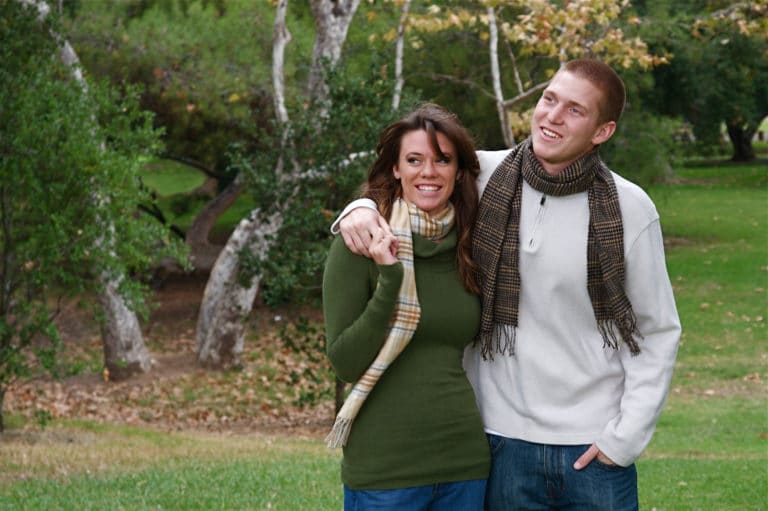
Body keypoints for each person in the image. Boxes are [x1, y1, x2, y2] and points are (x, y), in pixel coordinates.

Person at [331, 59, 681, 511]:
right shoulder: (484, 173)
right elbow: (412, 178)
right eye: (549, 99)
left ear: (602, 131)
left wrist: (624, 438)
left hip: (593, 446)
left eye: (575, 110)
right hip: (500, 443)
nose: (553, 116)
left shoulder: (630, 208)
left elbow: (658, 332)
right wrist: (357, 208)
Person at [323, 103, 491, 510]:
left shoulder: (471, 244)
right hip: (385, 472)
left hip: (463, 463)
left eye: (442, 160)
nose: (428, 173)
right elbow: (345, 362)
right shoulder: (361, 243)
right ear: (395, 169)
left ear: (459, 170)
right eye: (414, 160)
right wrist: (390, 280)